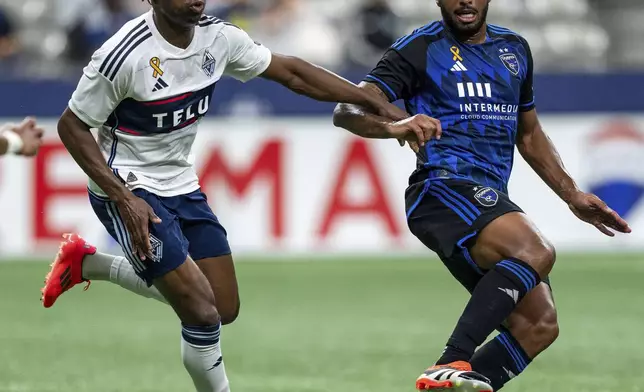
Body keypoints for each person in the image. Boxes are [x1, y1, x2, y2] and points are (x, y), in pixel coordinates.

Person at [40, 1, 420, 391]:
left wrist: (377, 102)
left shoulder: (218, 38)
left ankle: (88, 265)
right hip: (127, 187)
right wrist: (122, 197)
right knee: (201, 313)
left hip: (180, 183)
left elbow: (292, 73)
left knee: (223, 307)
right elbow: (72, 126)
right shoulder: (124, 54)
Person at [333, 0, 631, 391]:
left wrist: (571, 194)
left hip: (487, 194)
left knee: (538, 325)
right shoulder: (418, 48)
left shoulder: (515, 49)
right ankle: (449, 361)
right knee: (535, 251)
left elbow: (529, 134)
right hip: (441, 188)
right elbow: (346, 110)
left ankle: (454, 386)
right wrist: (397, 125)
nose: (466, 1)